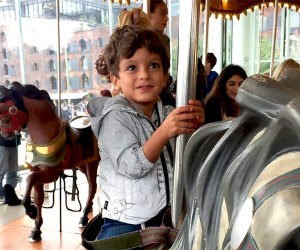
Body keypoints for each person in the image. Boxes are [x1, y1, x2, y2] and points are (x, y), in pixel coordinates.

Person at [91, 25, 204, 240]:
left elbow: (189, 156)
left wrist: (196, 125)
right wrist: (164, 132)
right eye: (132, 68)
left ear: (164, 76)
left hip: (168, 215)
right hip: (127, 223)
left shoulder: (168, 113)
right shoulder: (114, 118)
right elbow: (131, 166)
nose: (144, 75)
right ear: (115, 79)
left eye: (153, 65)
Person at [0, 133, 22, 205]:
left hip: (13, 144)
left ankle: (10, 196)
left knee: (13, 171)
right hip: (1, 144)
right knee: (1, 172)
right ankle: (4, 194)